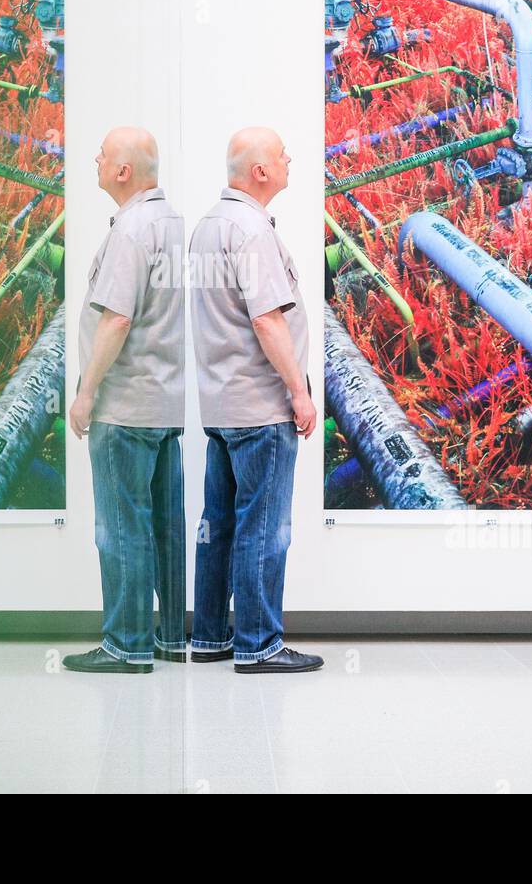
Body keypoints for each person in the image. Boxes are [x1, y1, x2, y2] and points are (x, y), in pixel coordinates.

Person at [187, 127, 322, 674]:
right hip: (261, 407)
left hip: (220, 404)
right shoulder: (250, 231)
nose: (289, 158)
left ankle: (212, 636)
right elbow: (267, 320)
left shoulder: (208, 228)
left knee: (218, 523)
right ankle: (259, 642)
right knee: (263, 527)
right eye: (281, 154)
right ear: (259, 172)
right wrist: (299, 392)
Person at [64, 127, 186, 674]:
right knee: (162, 526)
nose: (95, 157)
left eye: (104, 153)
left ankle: (126, 644)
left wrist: (86, 393)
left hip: (124, 405)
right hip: (162, 402)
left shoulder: (132, 230)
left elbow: (117, 317)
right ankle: (168, 638)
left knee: (119, 528)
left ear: (123, 172)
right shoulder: (168, 223)